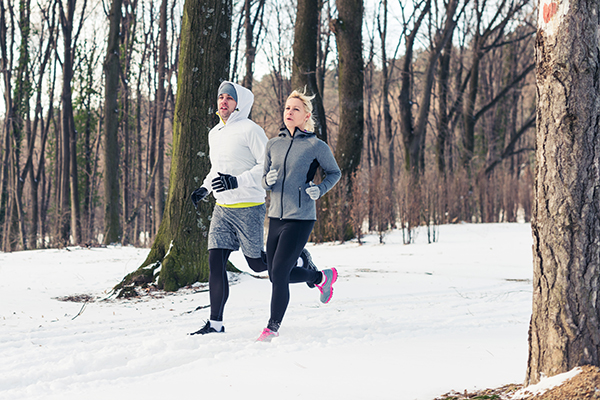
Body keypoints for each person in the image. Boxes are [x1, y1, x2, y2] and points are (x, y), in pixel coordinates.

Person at [189, 81, 319, 336]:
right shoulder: (215, 132)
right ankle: (215, 323)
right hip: (223, 207)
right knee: (215, 262)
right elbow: (217, 168)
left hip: (249, 205)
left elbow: (266, 166)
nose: (223, 102)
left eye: (229, 98)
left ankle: (306, 267)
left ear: (240, 103)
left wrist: (236, 181)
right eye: (220, 98)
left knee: (259, 265)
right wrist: (205, 188)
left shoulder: (251, 130)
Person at [257, 89, 341, 342]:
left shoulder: (316, 146)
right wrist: (267, 181)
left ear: (306, 116)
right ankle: (320, 277)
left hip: (301, 216)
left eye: (295, 109)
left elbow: (334, 173)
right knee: (274, 274)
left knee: (280, 273)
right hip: (275, 216)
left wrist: (319, 189)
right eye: (286, 108)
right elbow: (264, 179)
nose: (289, 112)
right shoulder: (273, 144)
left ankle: (272, 328)